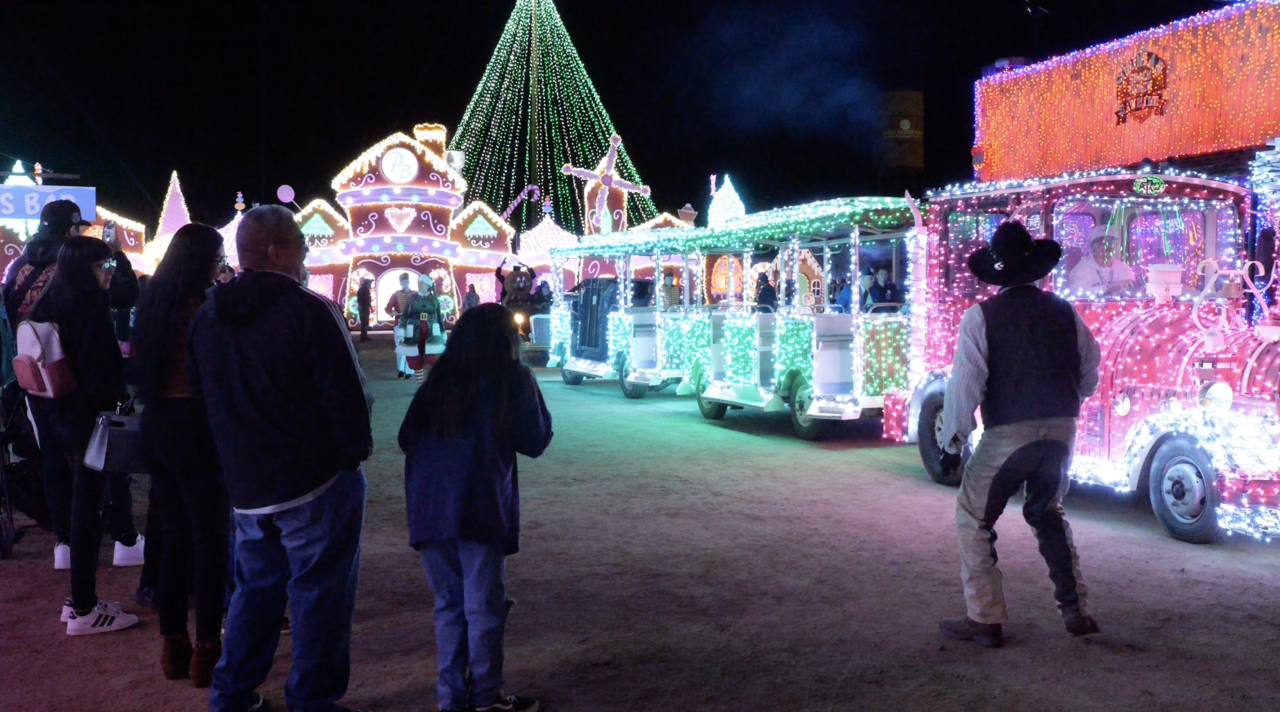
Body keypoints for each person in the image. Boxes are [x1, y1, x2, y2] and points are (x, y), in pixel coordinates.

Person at [190, 206, 373, 712]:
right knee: (319, 594)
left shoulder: (208, 315)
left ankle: (232, 694)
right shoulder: (309, 310)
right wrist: (351, 458)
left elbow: (205, 397)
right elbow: (348, 397)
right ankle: (312, 700)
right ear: (276, 251)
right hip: (312, 479)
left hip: (248, 485)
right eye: (300, 244)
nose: (305, 254)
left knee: (254, 592)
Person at [937, 221, 1100, 649]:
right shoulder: (1064, 310)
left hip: (1008, 432)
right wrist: (1065, 403)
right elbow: (1089, 368)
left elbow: (965, 384)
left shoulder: (981, 317)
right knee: (1048, 512)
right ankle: (1076, 610)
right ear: (1035, 268)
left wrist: (952, 443)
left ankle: (985, 618)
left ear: (997, 272)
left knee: (973, 518)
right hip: (1061, 432)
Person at [399, 303, 553, 712]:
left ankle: (450, 698)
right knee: (483, 607)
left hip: (430, 508)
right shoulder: (511, 378)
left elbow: (404, 438)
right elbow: (536, 439)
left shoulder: (439, 381)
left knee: (449, 606)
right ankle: (486, 696)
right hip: (481, 506)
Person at [4, 200, 141, 570]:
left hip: (38, 383)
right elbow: (126, 297)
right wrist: (116, 255)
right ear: (71, 229)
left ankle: (63, 543)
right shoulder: (76, 270)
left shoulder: (19, 267)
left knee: (53, 461)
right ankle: (122, 538)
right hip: (83, 386)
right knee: (101, 462)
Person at [133, 223, 231, 686]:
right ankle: (208, 648)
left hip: (158, 422)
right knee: (211, 539)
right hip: (195, 424)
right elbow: (213, 373)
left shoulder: (152, 300)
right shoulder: (203, 307)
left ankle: (173, 644)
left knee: (174, 534)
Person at [26, 237, 139, 634]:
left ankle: (79, 602)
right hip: (89, 422)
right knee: (89, 512)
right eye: (101, 266)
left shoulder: (49, 302)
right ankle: (85, 608)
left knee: (81, 509)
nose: (108, 273)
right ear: (81, 268)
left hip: (57, 417)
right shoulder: (87, 311)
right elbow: (104, 373)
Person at [1066, 228, 1136, 296]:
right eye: (1101, 243)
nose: (1107, 246)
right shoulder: (1080, 270)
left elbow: (1132, 295)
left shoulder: (1125, 269)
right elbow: (1077, 295)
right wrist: (1109, 288)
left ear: (1117, 245)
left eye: (1111, 242)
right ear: (1092, 246)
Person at [386, 273, 418, 378]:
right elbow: (388, 308)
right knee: (400, 346)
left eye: (406, 281)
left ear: (409, 282)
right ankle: (401, 369)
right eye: (403, 281)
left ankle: (409, 371)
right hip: (399, 323)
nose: (405, 283)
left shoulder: (415, 294)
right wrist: (392, 312)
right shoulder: (396, 294)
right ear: (400, 283)